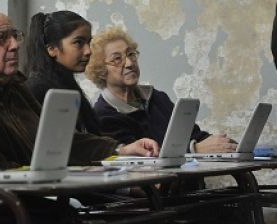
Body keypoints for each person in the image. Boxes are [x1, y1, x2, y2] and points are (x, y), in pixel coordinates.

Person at [0, 8, 159, 172]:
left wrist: (121, 149)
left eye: (15, 36)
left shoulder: (15, 87)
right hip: (15, 206)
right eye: (1, 38)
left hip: (47, 192)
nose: (15, 45)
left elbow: (62, 139)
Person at [85, 26, 237, 153]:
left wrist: (224, 144)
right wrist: (194, 150)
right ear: (100, 70)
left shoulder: (157, 98)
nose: (130, 63)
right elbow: (138, 163)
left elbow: (192, 135)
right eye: (117, 59)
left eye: (131, 54)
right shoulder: (103, 115)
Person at [25, 11, 100, 134]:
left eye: (88, 42)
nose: (88, 51)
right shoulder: (38, 90)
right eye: (78, 42)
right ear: (52, 49)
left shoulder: (66, 84)